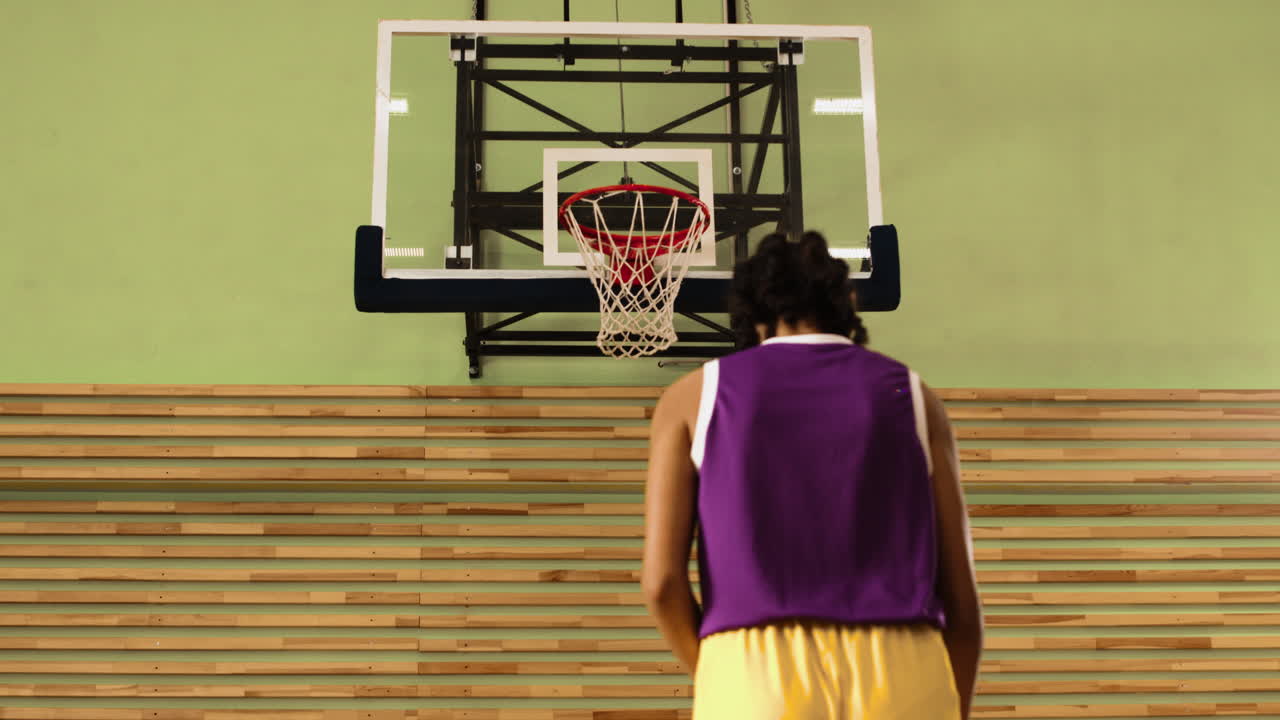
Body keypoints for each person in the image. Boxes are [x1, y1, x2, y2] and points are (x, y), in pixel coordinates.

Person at [642, 231, 983, 719]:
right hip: (905, 663)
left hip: (753, 672)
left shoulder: (692, 396)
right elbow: (962, 602)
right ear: (846, 306)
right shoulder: (913, 396)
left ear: (754, 318)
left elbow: (661, 583)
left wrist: (722, 679)